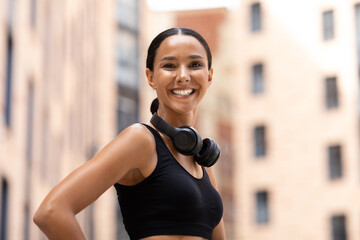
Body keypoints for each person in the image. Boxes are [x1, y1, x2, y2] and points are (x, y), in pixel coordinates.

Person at [33, 27, 226, 240]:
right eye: (169, 65)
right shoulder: (140, 140)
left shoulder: (203, 161)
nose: (182, 75)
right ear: (151, 77)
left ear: (209, 76)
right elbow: (52, 211)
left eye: (195, 65)